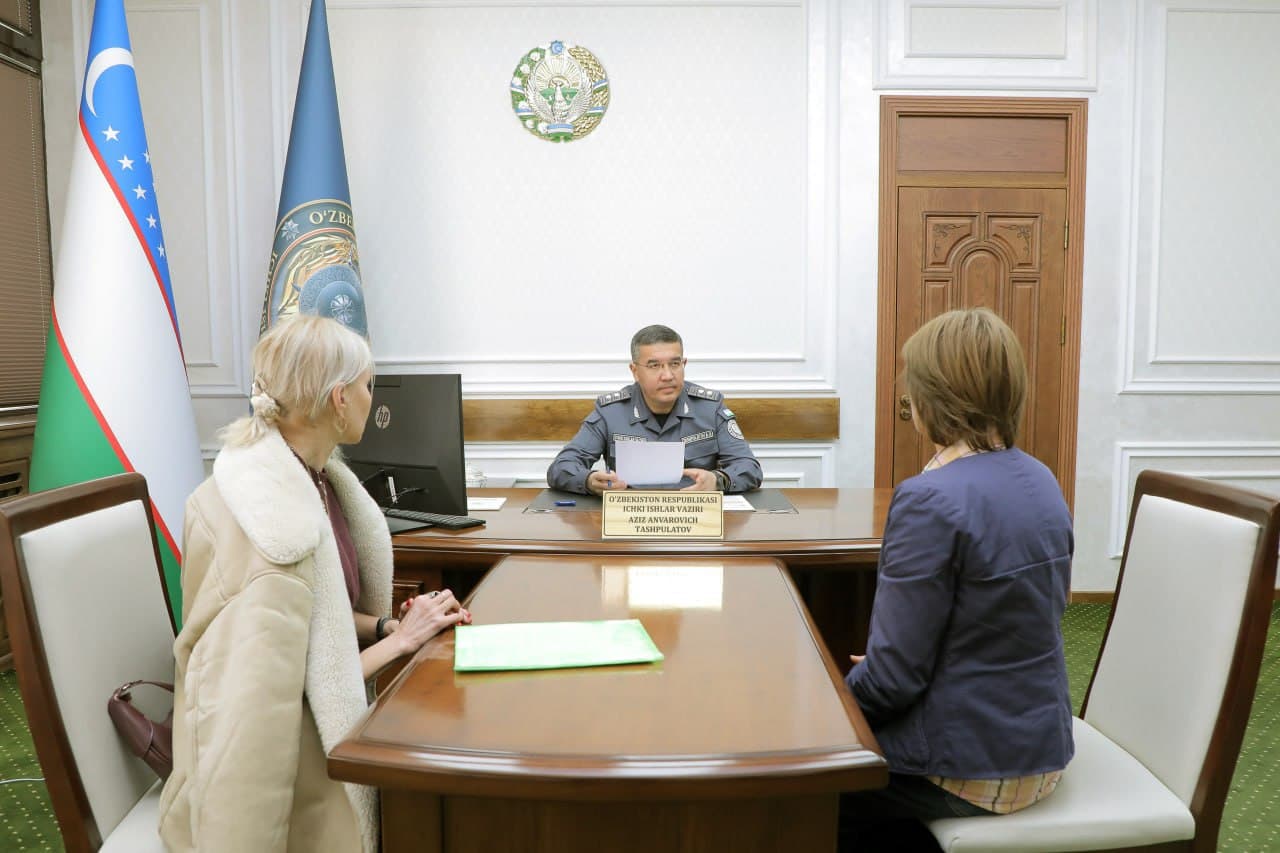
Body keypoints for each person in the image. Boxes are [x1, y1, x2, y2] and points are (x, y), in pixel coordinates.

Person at [158, 315, 469, 853]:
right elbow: (279, 700)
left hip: (316, 735)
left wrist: (390, 625)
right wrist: (398, 644)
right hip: (295, 776)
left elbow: (314, 619)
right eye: (370, 386)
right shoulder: (267, 524)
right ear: (339, 398)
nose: (377, 401)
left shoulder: (312, 476)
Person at [839, 308, 1074, 850]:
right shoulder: (1040, 477)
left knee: (791, 792)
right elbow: (1010, 616)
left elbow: (894, 681)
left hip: (970, 768)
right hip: (1040, 746)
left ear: (931, 400)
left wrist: (835, 703)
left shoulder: (929, 498)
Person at [546, 324, 763, 494]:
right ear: (634, 371)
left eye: (675, 364)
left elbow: (748, 467)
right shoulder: (610, 412)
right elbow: (562, 467)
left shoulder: (710, 408)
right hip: (630, 521)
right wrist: (589, 481)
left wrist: (718, 480)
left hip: (695, 520)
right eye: (654, 365)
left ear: (684, 365)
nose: (668, 375)